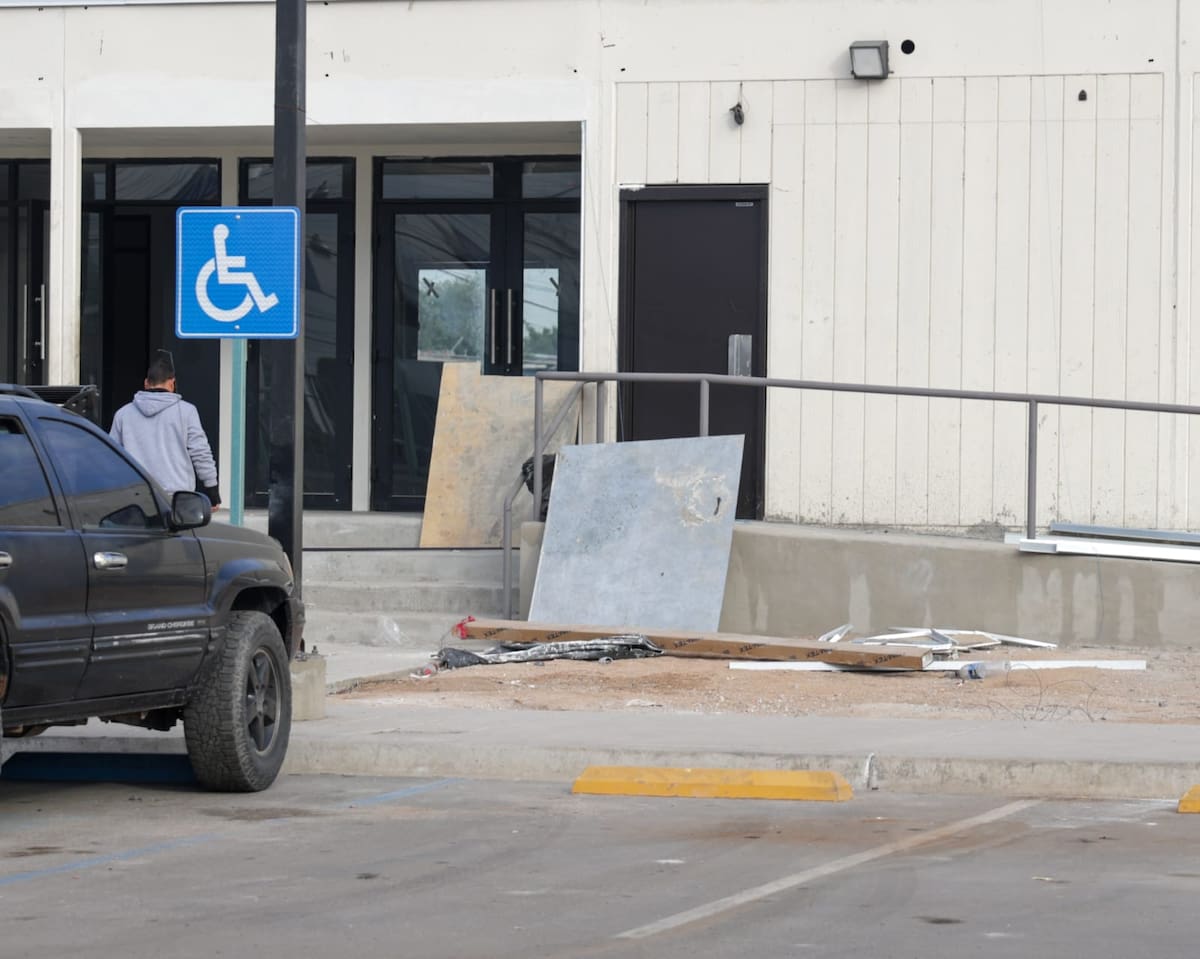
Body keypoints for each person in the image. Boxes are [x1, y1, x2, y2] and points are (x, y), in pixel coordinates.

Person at [110, 350, 221, 510]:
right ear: (172, 383)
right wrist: (212, 491)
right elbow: (200, 453)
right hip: (178, 499)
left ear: (146, 383)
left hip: (136, 498)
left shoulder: (123, 415)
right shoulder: (187, 411)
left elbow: (112, 458)